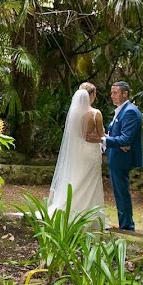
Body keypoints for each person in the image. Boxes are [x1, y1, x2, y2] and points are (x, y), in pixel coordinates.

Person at [47, 82, 107, 229]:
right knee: (91, 182)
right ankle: (91, 216)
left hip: (77, 153)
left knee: (76, 179)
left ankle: (68, 209)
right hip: (91, 152)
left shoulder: (74, 114)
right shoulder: (95, 113)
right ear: (91, 95)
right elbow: (101, 134)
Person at [103, 81, 143, 231]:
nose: (112, 96)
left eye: (115, 92)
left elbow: (126, 139)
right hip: (117, 155)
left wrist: (103, 139)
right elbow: (118, 136)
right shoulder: (122, 110)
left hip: (122, 158)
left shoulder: (130, 111)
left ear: (125, 93)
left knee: (121, 191)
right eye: (112, 92)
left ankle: (127, 225)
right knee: (119, 191)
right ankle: (124, 222)